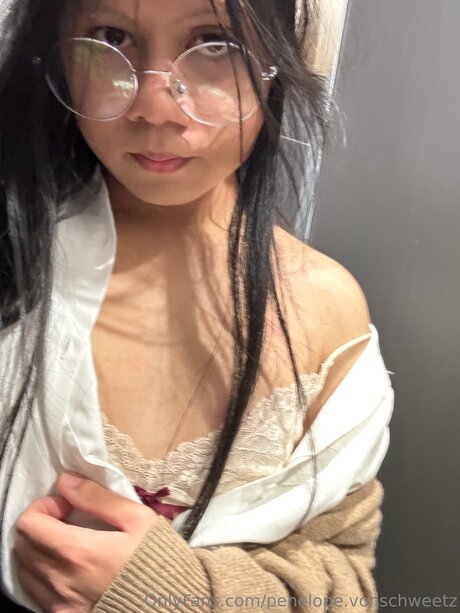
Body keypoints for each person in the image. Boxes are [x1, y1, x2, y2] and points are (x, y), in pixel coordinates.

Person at [0, 0, 395, 611]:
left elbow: (345, 581)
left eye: (215, 44)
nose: (154, 108)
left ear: (276, 63)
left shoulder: (325, 313)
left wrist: (172, 595)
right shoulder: (16, 266)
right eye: (112, 37)